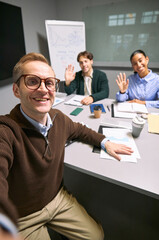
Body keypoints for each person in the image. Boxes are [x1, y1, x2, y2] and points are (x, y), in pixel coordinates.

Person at [0, 52, 133, 240]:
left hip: (56, 197)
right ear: (16, 90)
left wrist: (105, 142)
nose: (43, 89)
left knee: (96, 236)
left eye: (49, 82)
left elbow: (80, 130)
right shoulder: (6, 131)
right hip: (23, 215)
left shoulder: (58, 118)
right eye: (32, 81)